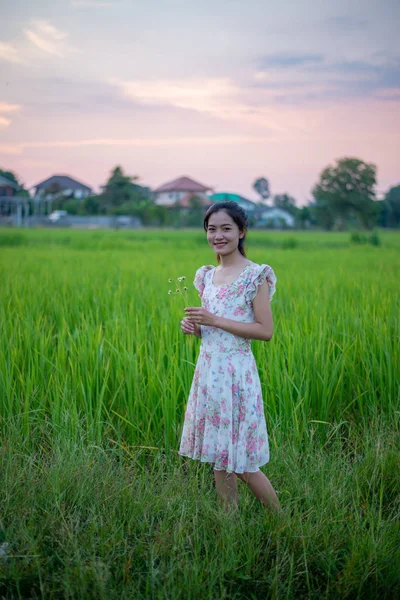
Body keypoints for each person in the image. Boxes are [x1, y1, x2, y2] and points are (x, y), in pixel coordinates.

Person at [178, 201, 281, 514]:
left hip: (236, 375)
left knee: (242, 462)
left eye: (226, 228)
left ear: (241, 232)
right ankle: (229, 529)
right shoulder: (207, 276)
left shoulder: (255, 276)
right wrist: (195, 328)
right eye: (212, 229)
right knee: (219, 458)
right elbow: (211, 329)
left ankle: (283, 522)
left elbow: (265, 331)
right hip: (209, 373)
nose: (218, 235)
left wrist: (215, 320)